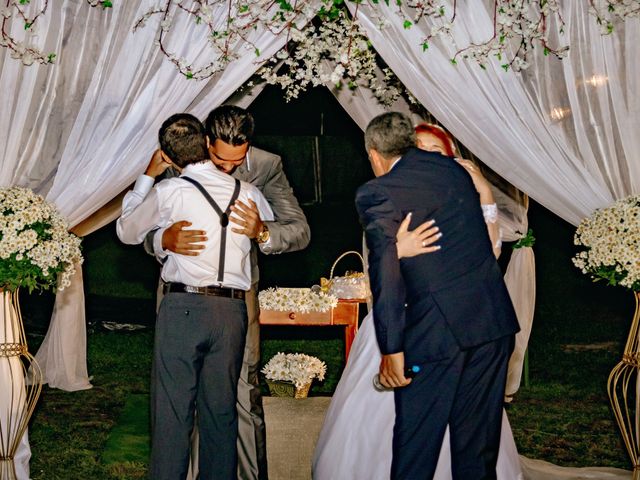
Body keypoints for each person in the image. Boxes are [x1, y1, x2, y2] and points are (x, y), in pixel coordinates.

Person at [313, 114, 520, 479]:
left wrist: (392, 351)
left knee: (416, 446)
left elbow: (385, 277)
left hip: (437, 332)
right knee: (477, 449)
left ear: (374, 154)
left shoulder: (377, 192)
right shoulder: (453, 172)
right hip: (491, 323)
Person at [145, 105, 310, 480]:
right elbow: (143, 226)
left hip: (236, 298)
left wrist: (263, 232)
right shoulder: (181, 158)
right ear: (205, 143)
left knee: (239, 393)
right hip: (180, 294)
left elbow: (299, 229)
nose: (227, 169)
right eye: (219, 158)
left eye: (236, 161)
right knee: (172, 401)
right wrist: (160, 240)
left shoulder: (267, 166)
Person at [117, 113, 274, 479]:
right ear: (207, 143)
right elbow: (262, 224)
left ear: (168, 158)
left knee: (173, 412)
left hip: (184, 309)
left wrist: (147, 177)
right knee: (221, 413)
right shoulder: (248, 193)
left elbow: (126, 231)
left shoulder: (169, 191)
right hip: (232, 313)